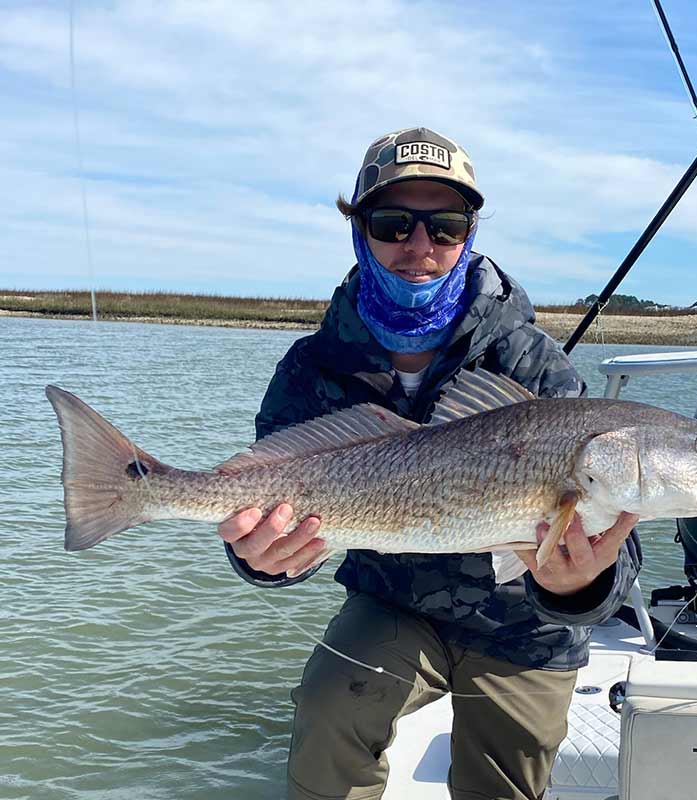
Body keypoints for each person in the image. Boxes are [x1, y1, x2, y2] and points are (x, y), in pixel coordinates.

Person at [218, 127, 641, 800]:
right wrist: (259, 557)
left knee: (508, 779)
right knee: (326, 714)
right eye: (393, 223)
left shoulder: (531, 362)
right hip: (392, 601)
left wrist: (575, 586)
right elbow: (271, 502)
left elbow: (618, 553)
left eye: (445, 227)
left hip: (523, 622)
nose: (420, 248)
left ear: (469, 233)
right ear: (358, 229)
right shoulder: (311, 366)